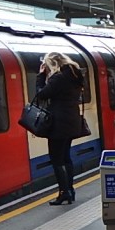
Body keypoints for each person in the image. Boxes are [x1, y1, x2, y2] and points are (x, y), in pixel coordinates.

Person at [36, 51, 85, 205]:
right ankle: (70, 190)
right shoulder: (75, 75)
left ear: (53, 63)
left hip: (58, 123)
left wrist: (41, 76)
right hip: (72, 121)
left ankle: (64, 193)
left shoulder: (59, 78)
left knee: (56, 159)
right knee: (66, 157)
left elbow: (41, 94)